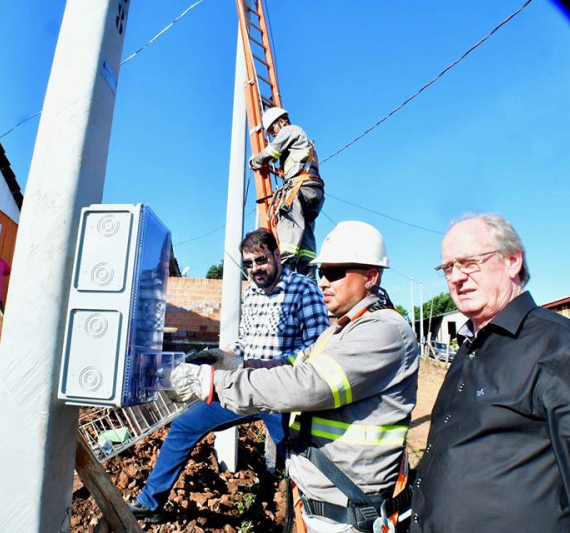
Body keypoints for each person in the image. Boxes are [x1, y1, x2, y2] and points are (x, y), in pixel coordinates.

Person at [170, 221, 420, 533]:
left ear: (371, 277)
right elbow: (292, 363)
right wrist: (232, 361)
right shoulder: (339, 332)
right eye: (321, 272)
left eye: (335, 272)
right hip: (323, 504)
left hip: (353, 514)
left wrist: (211, 383)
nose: (324, 282)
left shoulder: (384, 332)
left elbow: (305, 384)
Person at [410, 214, 570, 533]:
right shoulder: (466, 351)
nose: (456, 277)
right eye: (448, 267)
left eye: (469, 262)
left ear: (513, 260)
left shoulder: (564, 346)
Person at [128, 228, 329, 523]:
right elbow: (246, 342)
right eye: (248, 264)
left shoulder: (303, 290)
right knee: (184, 426)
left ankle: (313, 517)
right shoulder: (254, 295)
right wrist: (222, 355)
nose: (255, 269)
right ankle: (150, 502)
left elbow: (316, 348)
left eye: (261, 261)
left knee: (297, 462)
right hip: (245, 389)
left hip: (284, 396)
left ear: (276, 255)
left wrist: (267, 365)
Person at [249, 107, 324, 278]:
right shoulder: (304, 141)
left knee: (289, 229)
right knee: (306, 237)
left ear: (281, 121)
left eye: (273, 130)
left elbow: (271, 152)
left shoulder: (290, 130)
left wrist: (254, 161)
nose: (274, 135)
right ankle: (308, 276)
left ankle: (285, 274)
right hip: (314, 191)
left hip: (299, 187)